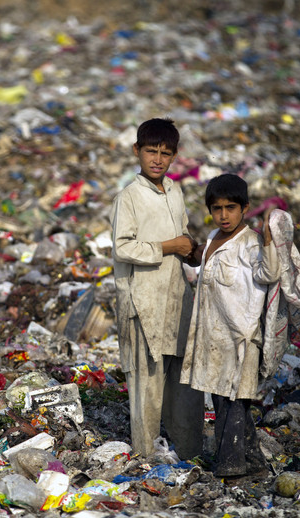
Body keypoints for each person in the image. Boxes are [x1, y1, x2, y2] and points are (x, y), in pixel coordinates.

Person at [109, 118, 204, 460]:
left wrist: (192, 251)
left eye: (165, 153)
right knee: (146, 385)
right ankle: (147, 457)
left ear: (175, 156)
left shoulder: (175, 192)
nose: (158, 159)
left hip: (176, 299)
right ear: (137, 151)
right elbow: (122, 247)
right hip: (141, 300)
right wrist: (169, 246)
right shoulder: (129, 197)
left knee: (184, 382)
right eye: (151, 151)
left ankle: (191, 452)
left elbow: (182, 242)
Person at [180, 173, 281, 478]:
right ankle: (253, 463)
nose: (224, 215)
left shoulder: (250, 243)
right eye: (217, 209)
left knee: (234, 403)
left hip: (241, 337)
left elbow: (269, 274)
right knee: (224, 401)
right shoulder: (212, 239)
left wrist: (267, 241)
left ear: (244, 208)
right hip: (213, 335)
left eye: (231, 208)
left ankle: (231, 467)